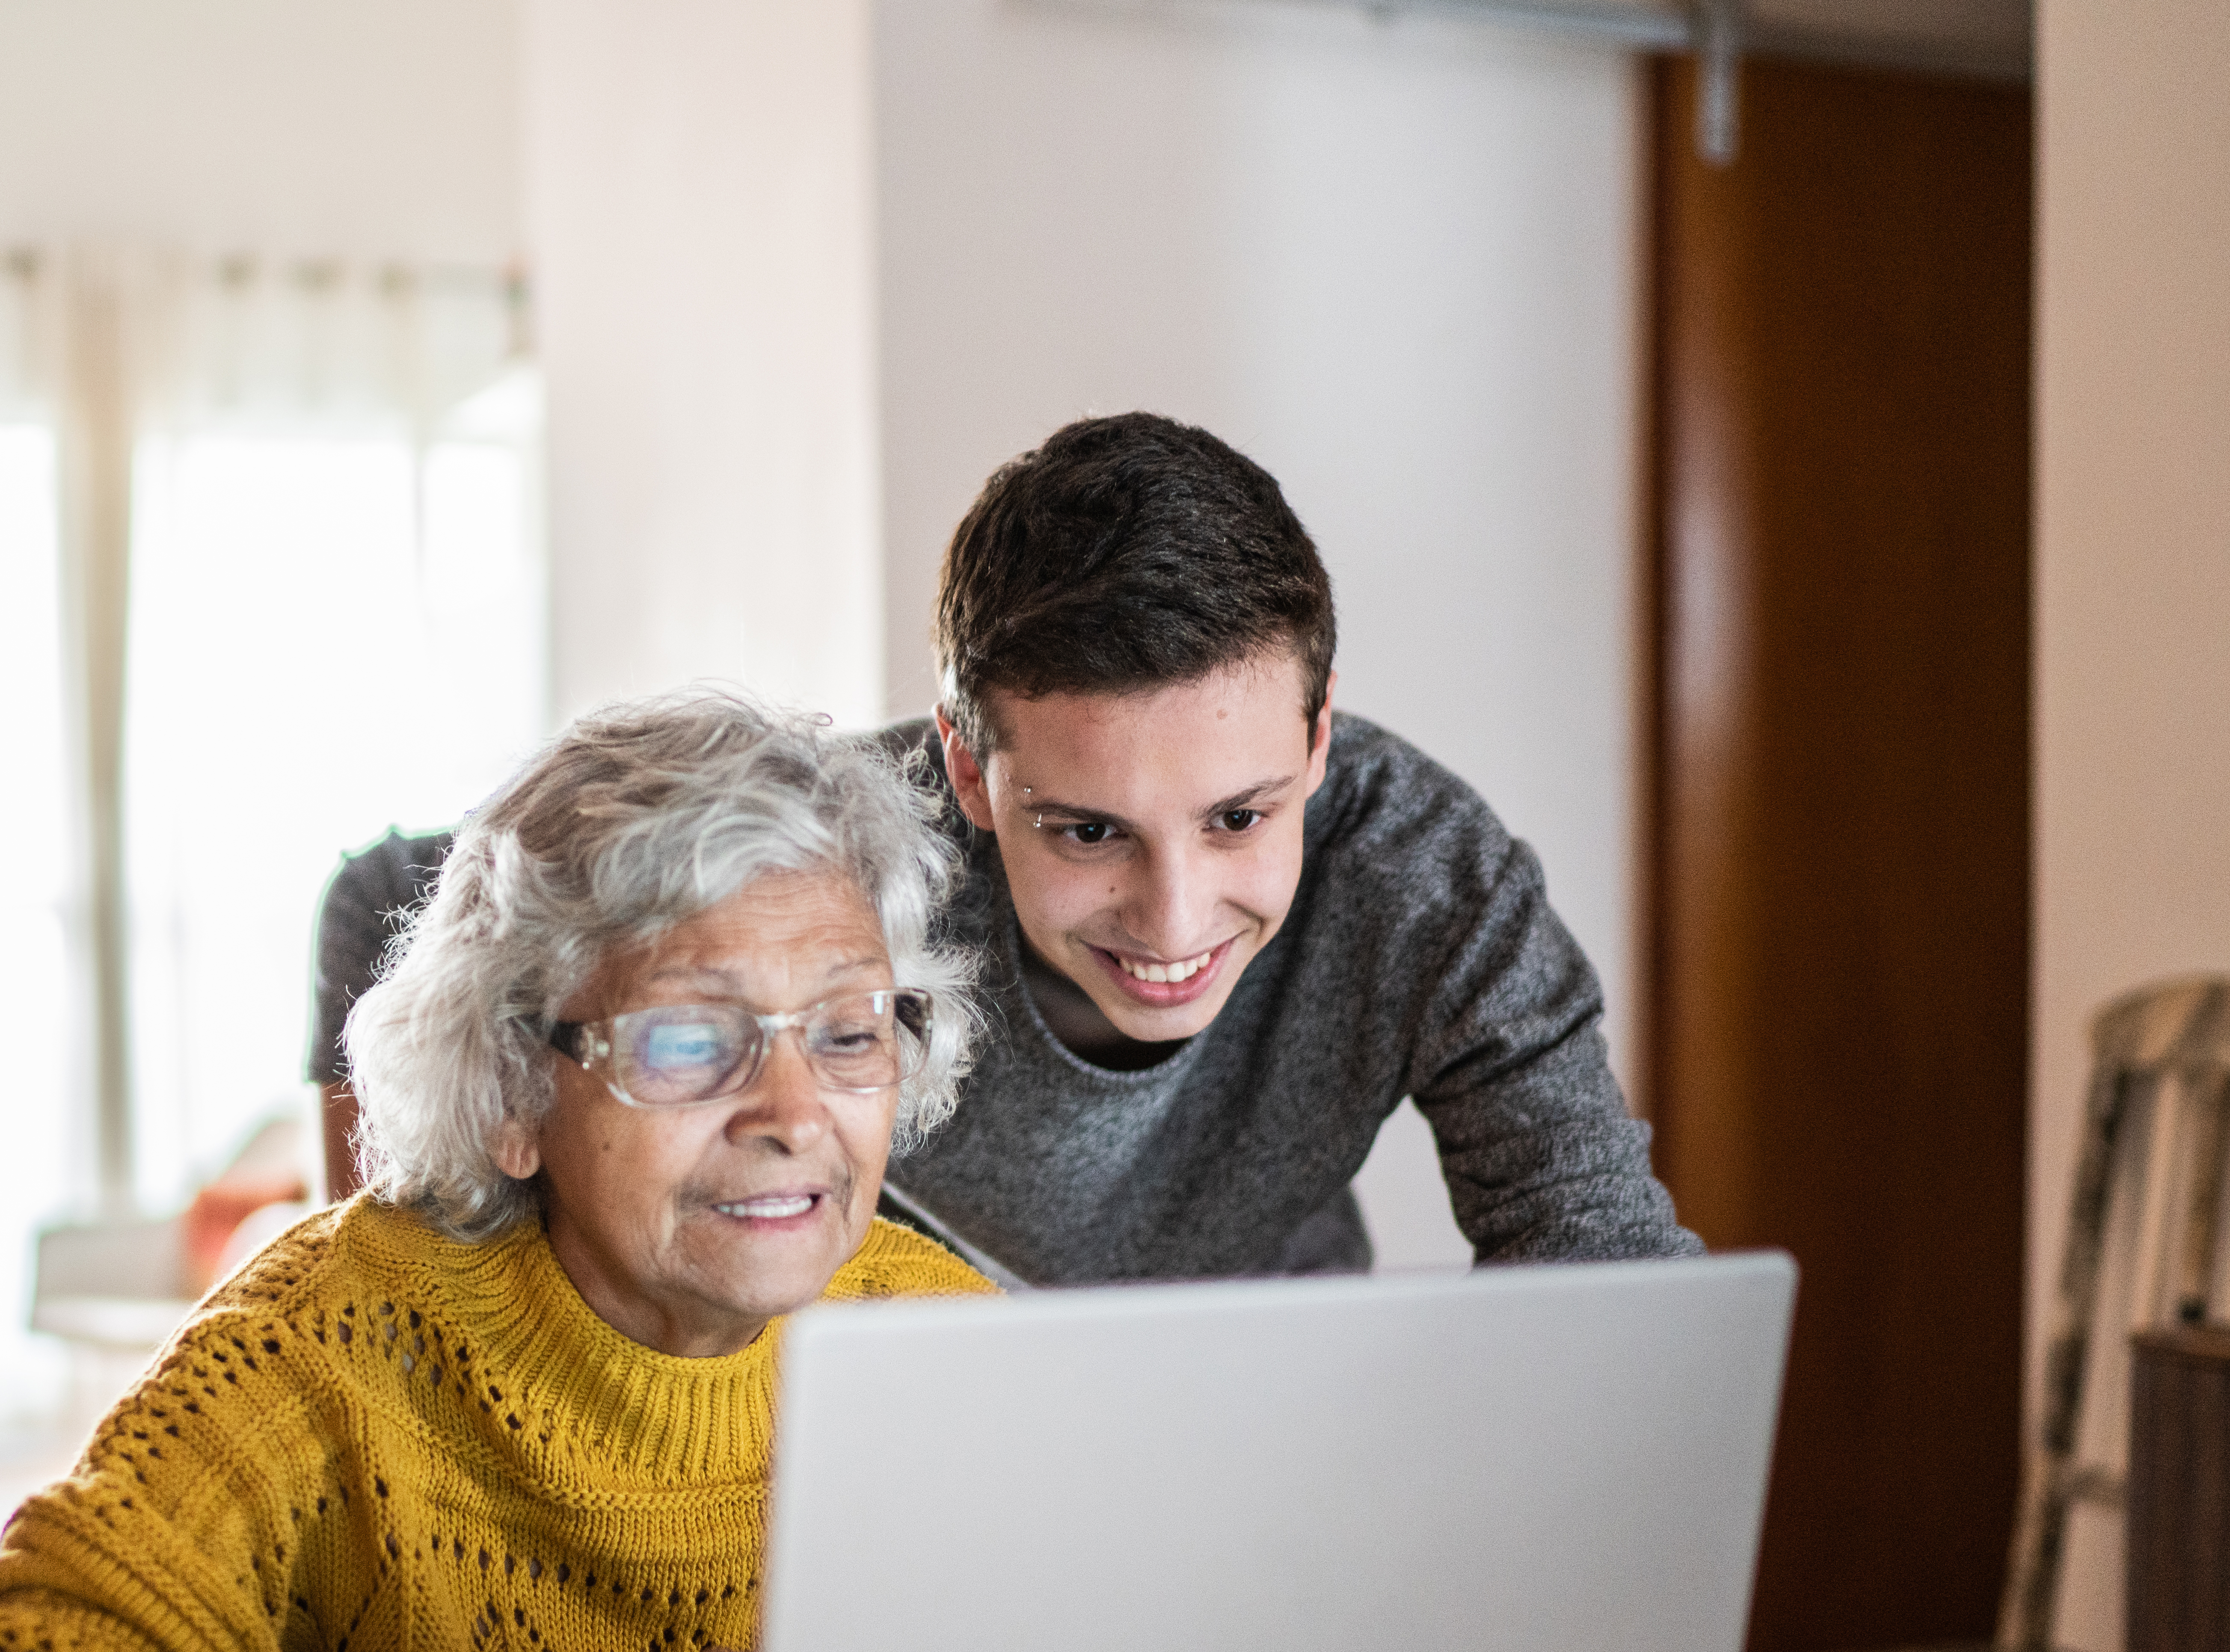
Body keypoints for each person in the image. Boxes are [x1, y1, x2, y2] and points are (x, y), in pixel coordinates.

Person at [0, 691, 990, 1652]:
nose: (792, 1107)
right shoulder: (325, 1347)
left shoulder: (962, 1351)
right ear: (511, 1091)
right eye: (685, 1037)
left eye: (845, 1030)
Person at [312, 412, 1697, 1285]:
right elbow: (389, 895)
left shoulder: (1436, 888)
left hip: (1257, 1374)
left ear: (1320, 741)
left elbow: (1609, 1279)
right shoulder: (844, 845)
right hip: (913, 1383)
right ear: (969, 768)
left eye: (1241, 817)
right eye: (1089, 831)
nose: (1173, 918)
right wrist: (397, 1295)